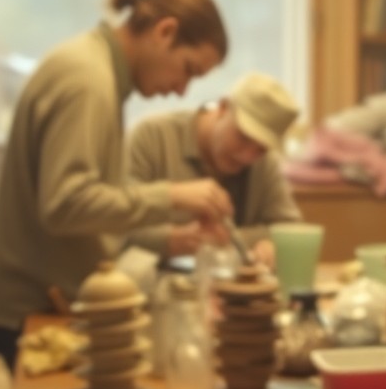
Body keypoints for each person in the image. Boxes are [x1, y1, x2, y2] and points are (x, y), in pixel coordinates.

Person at [0, 0, 235, 368]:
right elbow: (65, 204)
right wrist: (173, 196)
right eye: (188, 70)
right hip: (29, 317)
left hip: (44, 305)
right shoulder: (88, 80)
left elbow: (99, 197)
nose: (182, 90)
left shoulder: (99, 72)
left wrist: (168, 234)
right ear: (164, 32)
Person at [124, 72, 302, 267]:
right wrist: (172, 239)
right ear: (223, 107)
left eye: (261, 148)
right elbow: (113, 225)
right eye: (243, 137)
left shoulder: (266, 162)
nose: (247, 156)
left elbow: (291, 230)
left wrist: (268, 244)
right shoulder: (151, 137)